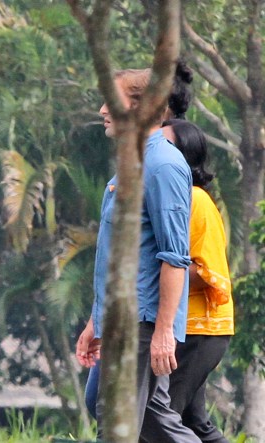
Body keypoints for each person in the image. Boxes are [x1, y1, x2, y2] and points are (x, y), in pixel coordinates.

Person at [75, 68, 200, 442]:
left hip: (142, 322)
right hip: (119, 317)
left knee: (117, 422)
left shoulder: (162, 165)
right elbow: (121, 253)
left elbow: (175, 257)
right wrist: (96, 320)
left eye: (112, 101)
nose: (102, 109)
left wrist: (163, 333)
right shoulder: (132, 162)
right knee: (140, 415)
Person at [141, 119, 233, 443]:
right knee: (195, 424)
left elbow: (210, 273)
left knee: (160, 420)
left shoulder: (197, 200)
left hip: (201, 330)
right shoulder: (171, 195)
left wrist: (157, 275)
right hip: (184, 327)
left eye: (164, 144)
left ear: (183, 155)